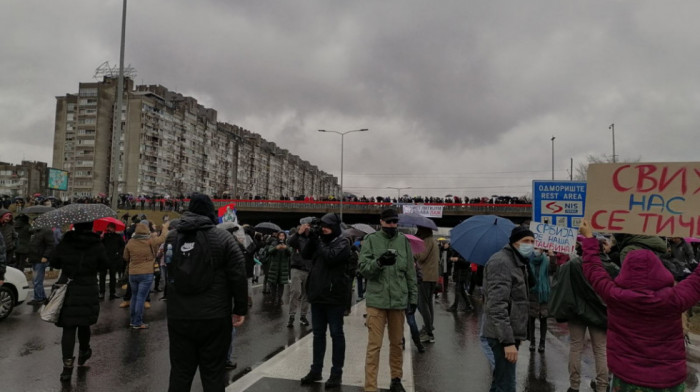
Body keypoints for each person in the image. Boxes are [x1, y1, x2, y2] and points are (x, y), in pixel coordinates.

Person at [580, 219, 700, 391]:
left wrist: (589, 238)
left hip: (626, 379)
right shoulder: (674, 299)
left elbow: (593, 270)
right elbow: (697, 281)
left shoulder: (615, 296)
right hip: (668, 380)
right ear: (660, 270)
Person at [165, 193, 247, 392]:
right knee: (213, 373)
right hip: (214, 316)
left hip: (179, 315)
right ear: (210, 212)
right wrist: (240, 308)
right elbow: (238, 275)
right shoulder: (223, 238)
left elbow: (168, 271)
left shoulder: (173, 237)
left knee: (180, 372)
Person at [358, 208, 418, 392]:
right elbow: (363, 269)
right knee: (374, 346)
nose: (393, 225)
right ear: (381, 222)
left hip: (398, 301)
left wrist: (413, 297)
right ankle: (370, 386)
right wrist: (379, 263)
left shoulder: (403, 242)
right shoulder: (370, 240)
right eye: (389, 222)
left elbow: (410, 271)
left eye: (395, 222)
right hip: (377, 301)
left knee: (397, 343)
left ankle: (396, 379)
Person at [50, 221, 108, 382]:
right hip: (88, 287)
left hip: (69, 287)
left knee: (68, 328)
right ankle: (84, 351)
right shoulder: (97, 244)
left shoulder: (66, 242)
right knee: (84, 323)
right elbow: (104, 265)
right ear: (91, 226)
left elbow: (54, 261)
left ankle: (67, 367)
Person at [300, 213, 352, 389]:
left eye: (327, 227)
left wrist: (318, 240)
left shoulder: (343, 243)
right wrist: (308, 237)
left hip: (334, 296)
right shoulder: (320, 240)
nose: (324, 230)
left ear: (335, 227)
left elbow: (330, 258)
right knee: (317, 334)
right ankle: (316, 370)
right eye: (322, 226)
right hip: (317, 295)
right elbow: (305, 254)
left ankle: (336, 373)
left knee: (336, 334)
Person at [481, 226, 533, 392]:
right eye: (526, 241)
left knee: (500, 383)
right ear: (514, 243)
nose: (530, 245)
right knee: (507, 386)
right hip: (501, 336)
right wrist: (508, 341)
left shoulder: (518, 262)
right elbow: (497, 305)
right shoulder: (502, 262)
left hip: (508, 333)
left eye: (532, 241)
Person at [123, 223, 158, 329]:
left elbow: (125, 257)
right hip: (146, 272)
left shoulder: (130, 242)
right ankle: (137, 322)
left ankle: (133, 320)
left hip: (133, 273)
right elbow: (155, 254)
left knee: (134, 296)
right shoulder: (150, 242)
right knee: (141, 298)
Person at [527, 248, 555, 353]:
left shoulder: (546, 261)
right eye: (534, 248)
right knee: (531, 318)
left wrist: (552, 256)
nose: (536, 250)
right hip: (532, 293)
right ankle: (532, 342)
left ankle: (542, 343)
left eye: (538, 249)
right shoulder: (528, 261)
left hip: (544, 294)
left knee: (543, 318)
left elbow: (553, 269)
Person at [414, 226, 439, 344]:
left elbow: (422, 257)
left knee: (422, 304)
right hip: (431, 276)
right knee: (428, 304)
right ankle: (429, 327)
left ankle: (429, 332)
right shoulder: (432, 240)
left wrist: (414, 252)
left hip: (425, 276)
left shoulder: (427, 241)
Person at [287, 219, 312, 327]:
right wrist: (299, 233)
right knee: (295, 292)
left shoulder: (312, 239)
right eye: (305, 227)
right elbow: (290, 242)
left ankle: (303, 316)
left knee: (306, 294)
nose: (307, 229)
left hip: (309, 269)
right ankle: (292, 316)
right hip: (296, 268)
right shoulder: (297, 238)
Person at [26, 223, 56, 305]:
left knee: (37, 280)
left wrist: (45, 256)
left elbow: (51, 245)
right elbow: (32, 246)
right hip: (35, 259)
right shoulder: (35, 232)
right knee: (35, 280)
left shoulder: (46, 231)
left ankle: (39, 299)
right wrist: (29, 257)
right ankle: (41, 297)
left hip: (41, 259)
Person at [265, 231, 291, 305]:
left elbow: (290, 253)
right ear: (278, 236)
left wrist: (286, 248)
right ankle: (273, 299)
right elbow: (269, 251)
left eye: (283, 236)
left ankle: (280, 299)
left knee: (281, 285)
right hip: (274, 268)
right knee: (273, 284)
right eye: (280, 235)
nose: (281, 237)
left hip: (283, 269)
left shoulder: (287, 244)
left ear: (285, 237)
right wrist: (276, 248)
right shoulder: (274, 243)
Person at [100, 222, 125, 300]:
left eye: (111, 227)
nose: (109, 229)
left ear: (114, 229)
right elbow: (98, 245)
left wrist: (118, 254)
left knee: (113, 277)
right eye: (108, 227)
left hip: (113, 259)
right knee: (102, 276)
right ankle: (102, 292)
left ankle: (112, 293)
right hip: (104, 259)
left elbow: (122, 246)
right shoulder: (103, 236)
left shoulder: (118, 237)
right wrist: (101, 237)